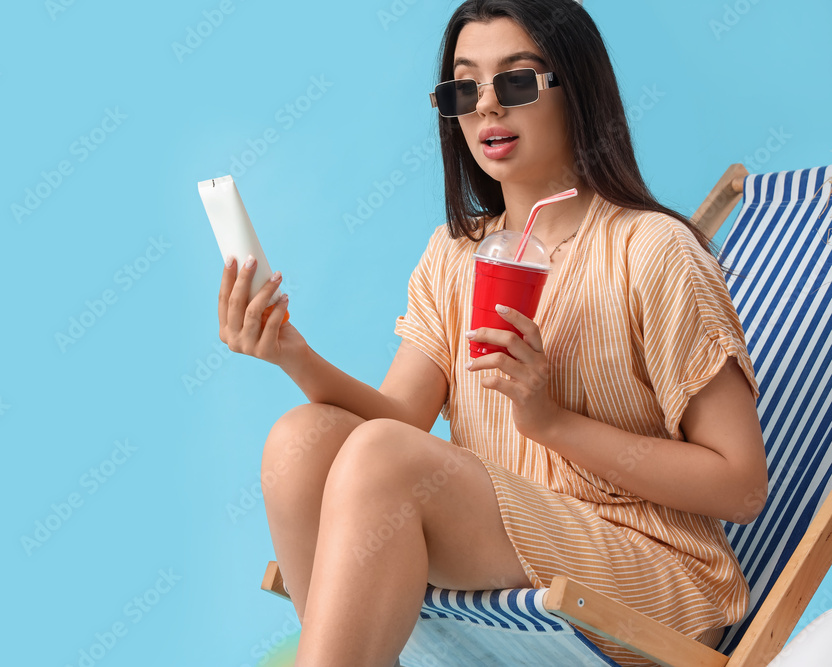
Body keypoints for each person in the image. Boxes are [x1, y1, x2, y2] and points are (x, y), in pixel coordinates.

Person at [217, 1, 768, 665]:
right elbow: (398, 419)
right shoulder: (454, 255)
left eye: (515, 82)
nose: (486, 109)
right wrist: (292, 354)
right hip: (513, 543)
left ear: (579, 91)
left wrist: (551, 421)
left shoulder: (653, 251)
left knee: (384, 458)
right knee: (300, 440)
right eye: (463, 88)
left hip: (654, 576)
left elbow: (741, 485)